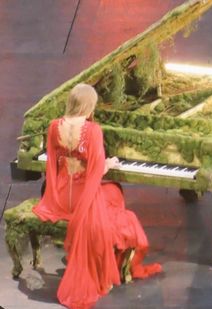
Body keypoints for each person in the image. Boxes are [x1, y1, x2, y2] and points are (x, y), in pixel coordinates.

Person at [33, 83, 162, 309]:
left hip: (62, 194)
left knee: (110, 192)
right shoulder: (93, 130)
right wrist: (108, 163)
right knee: (115, 196)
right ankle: (114, 262)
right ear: (90, 106)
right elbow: (94, 172)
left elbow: (52, 167)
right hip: (84, 195)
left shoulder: (54, 127)